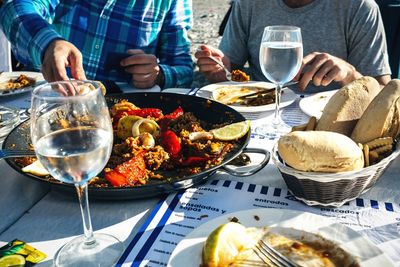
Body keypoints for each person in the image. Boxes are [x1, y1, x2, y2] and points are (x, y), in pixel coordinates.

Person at [196, 0, 391, 93]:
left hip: (332, 126)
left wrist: (349, 75)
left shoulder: (359, 7)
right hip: (261, 115)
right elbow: (231, 70)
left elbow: (384, 94)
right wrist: (219, 70)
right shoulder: (249, 4)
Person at [0, 1, 193, 89]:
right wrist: (49, 43)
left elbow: (183, 68)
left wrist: (158, 75)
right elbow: (14, 8)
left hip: (117, 116)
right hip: (47, 100)